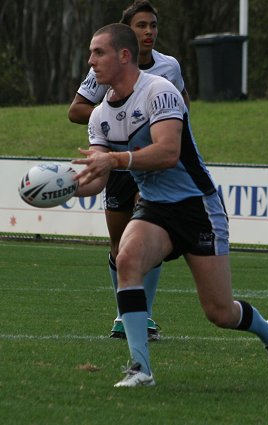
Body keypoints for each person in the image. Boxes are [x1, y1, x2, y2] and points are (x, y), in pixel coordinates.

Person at [73, 23, 268, 388]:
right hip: (155, 206)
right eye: (91, 53)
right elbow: (97, 177)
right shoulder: (99, 115)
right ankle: (140, 368)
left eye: (99, 53)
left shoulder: (159, 92)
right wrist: (66, 186)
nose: (91, 61)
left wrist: (114, 161)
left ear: (124, 56)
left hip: (197, 205)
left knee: (220, 312)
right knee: (126, 259)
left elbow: (167, 152)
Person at [68, 0, 190, 340]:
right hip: (115, 163)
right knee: (118, 245)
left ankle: (142, 315)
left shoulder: (168, 70)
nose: (149, 32)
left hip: (152, 168)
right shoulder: (104, 69)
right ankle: (126, 312)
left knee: (142, 236)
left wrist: (167, 130)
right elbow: (76, 110)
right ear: (126, 35)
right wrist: (111, 115)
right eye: (141, 26)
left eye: (153, 25)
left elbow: (183, 106)